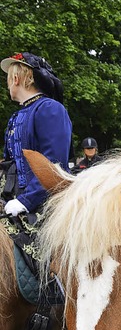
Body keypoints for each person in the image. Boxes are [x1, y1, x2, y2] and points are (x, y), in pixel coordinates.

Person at [1, 52, 72, 265]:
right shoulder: (16, 116)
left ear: (16, 79)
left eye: (8, 79)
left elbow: (53, 165)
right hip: (12, 198)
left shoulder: (50, 109)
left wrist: (25, 201)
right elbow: (10, 163)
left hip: (42, 204)